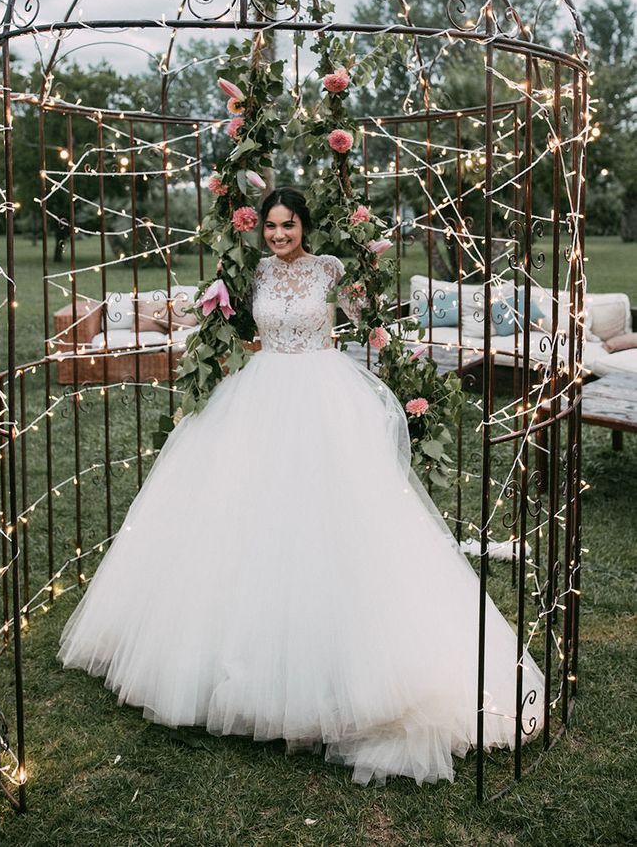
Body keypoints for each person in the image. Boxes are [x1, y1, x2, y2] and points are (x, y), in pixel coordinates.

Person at [58, 186, 544, 786]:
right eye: (271, 226)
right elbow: (228, 325)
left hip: (324, 395)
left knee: (334, 523)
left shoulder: (332, 270)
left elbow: (371, 327)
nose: (280, 235)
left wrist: (395, 345)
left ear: (305, 227)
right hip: (260, 394)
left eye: (289, 225)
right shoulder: (251, 272)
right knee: (244, 520)